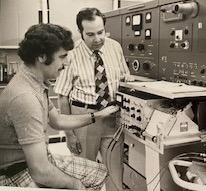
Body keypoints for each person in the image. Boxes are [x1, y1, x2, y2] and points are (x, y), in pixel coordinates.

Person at [0, 23, 120, 190]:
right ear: (42, 57)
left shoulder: (33, 81)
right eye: (62, 56)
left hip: (35, 161)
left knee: (98, 172)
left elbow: (57, 120)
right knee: (79, 184)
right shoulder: (25, 97)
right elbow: (40, 171)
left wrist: (97, 116)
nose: (67, 63)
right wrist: (76, 185)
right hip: (16, 173)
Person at [54, 8, 132, 191]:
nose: (97, 39)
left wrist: (128, 79)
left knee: (115, 172)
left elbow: (124, 76)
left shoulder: (115, 47)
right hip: (84, 119)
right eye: (90, 34)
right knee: (85, 174)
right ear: (80, 32)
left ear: (105, 28)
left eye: (100, 32)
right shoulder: (71, 55)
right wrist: (70, 134)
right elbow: (63, 96)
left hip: (112, 117)